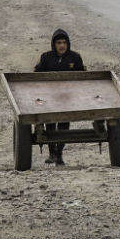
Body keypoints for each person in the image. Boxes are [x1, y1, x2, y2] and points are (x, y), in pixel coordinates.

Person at [34, 29, 85, 165]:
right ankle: (52, 154)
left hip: (68, 99)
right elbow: (36, 76)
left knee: (63, 125)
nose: (62, 45)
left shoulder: (75, 57)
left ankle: (59, 154)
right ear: (54, 44)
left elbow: (84, 77)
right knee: (50, 124)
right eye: (58, 43)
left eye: (64, 42)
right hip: (49, 99)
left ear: (68, 43)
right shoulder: (46, 57)